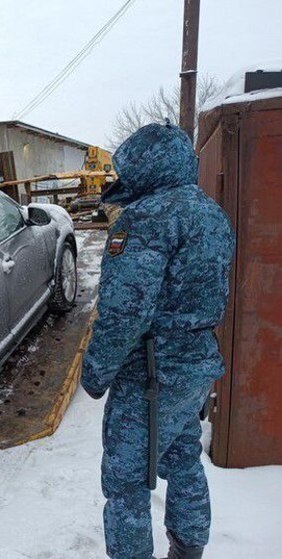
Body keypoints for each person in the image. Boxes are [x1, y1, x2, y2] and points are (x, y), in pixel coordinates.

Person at [81, 123, 235, 559]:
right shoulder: (210, 213)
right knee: (183, 456)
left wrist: (96, 373)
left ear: (145, 166)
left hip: (151, 373)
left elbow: (124, 311)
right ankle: (189, 549)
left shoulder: (146, 219)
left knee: (126, 481)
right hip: (196, 365)